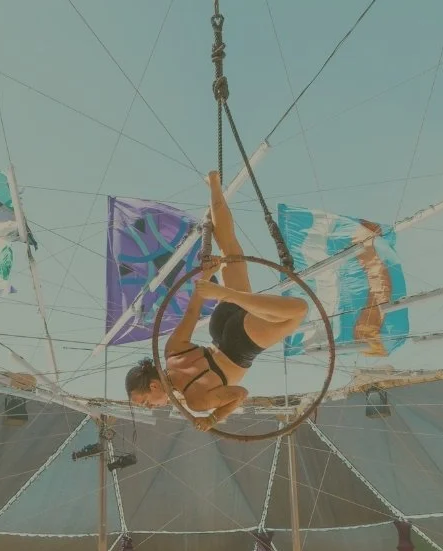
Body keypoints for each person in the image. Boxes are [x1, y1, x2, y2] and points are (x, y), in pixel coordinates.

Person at [125, 171, 308, 430]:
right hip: (219, 325)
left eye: (145, 402)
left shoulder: (195, 401)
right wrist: (206, 276)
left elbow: (240, 394)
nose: (151, 407)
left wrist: (212, 418)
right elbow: (191, 313)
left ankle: (230, 295)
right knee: (229, 249)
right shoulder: (171, 353)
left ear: (153, 386)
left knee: (299, 310)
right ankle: (213, 184)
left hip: (240, 344)